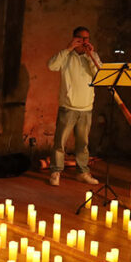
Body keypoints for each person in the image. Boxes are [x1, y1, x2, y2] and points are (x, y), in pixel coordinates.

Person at [47, 26, 100, 186]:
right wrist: (69, 48)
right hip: (68, 106)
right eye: (80, 38)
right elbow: (52, 66)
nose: (84, 41)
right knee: (60, 142)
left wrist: (91, 56)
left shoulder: (92, 56)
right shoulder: (66, 56)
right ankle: (56, 172)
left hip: (86, 107)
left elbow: (100, 74)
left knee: (83, 144)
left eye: (86, 38)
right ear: (74, 38)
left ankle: (82, 172)